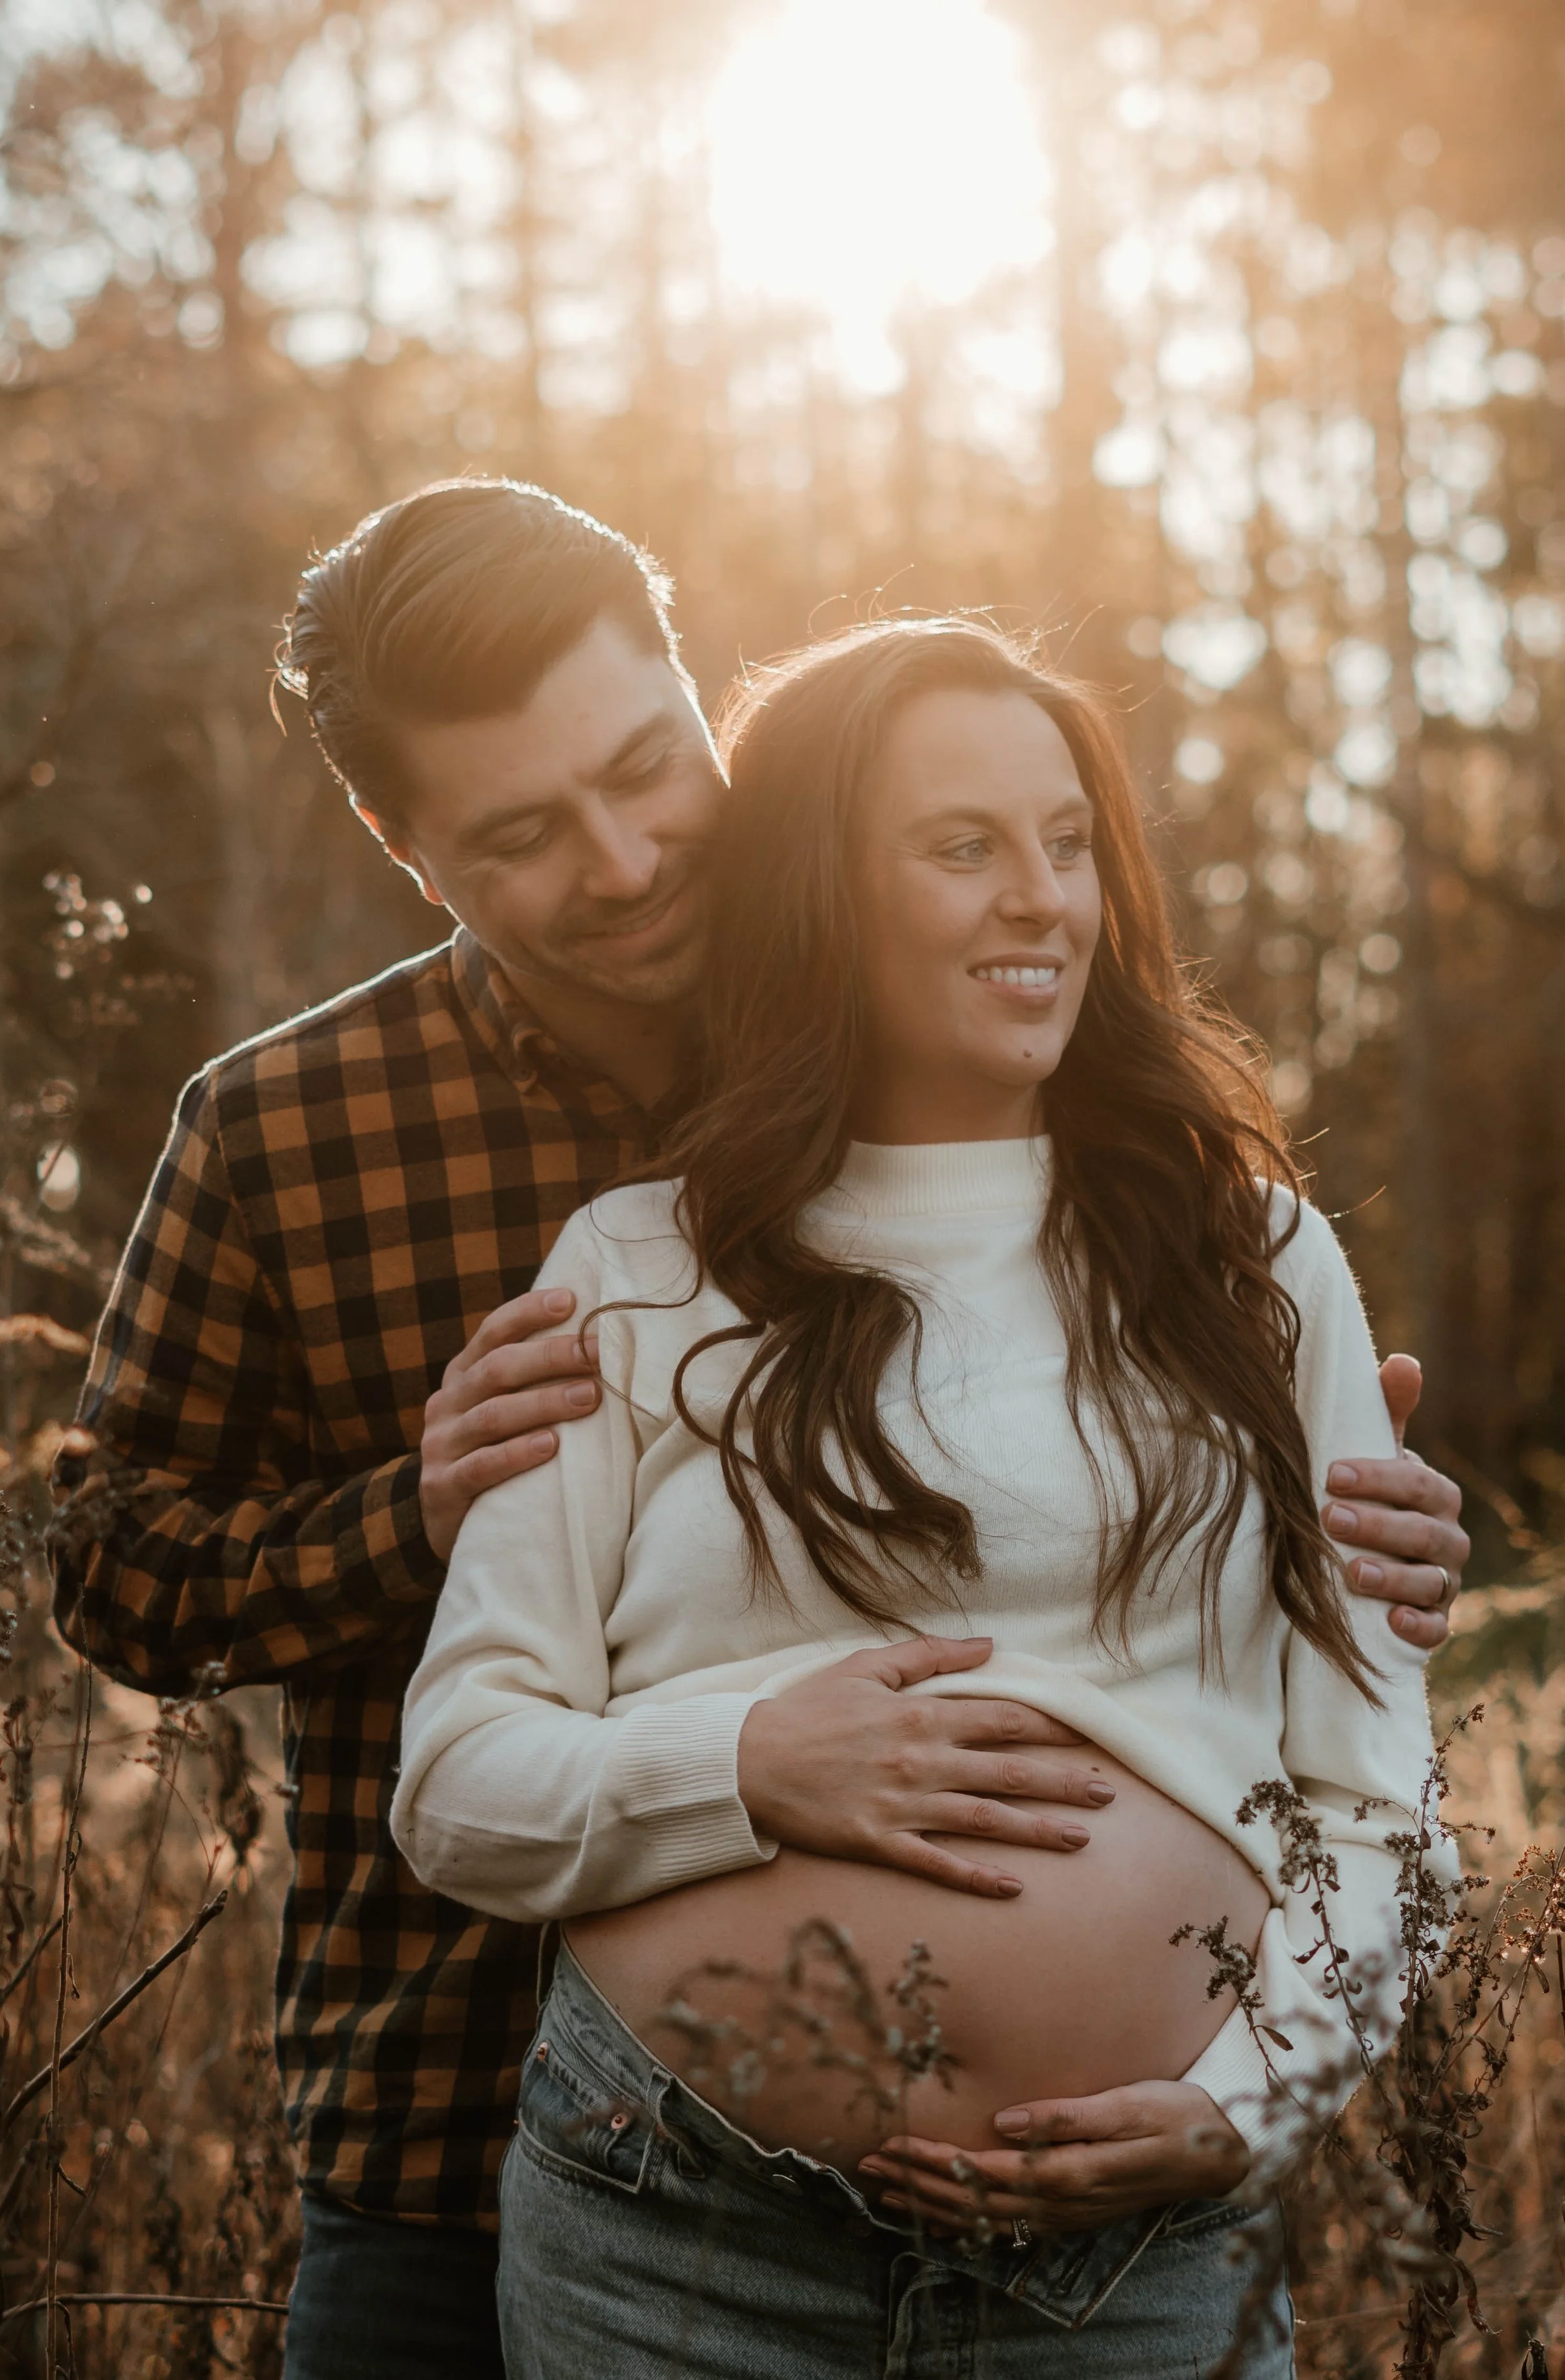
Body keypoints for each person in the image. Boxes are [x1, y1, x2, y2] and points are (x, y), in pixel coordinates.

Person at [50, 482, 1468, 2380]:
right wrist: (416, 1513)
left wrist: (1290, 1498)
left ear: (701, 707)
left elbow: (1312, 1703)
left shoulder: (929, 984)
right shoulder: (293, 1131)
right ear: (404, 844)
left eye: (650, 767)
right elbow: (106, 1562)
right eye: (527, 834)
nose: (630, 860)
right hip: (467, 2116)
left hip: (1089, 2231)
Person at [394, 616, 1458, 2380]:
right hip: (677, 2236)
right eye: (961, 848)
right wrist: (743, 1761)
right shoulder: (634, 1273)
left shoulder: (1254, 1264)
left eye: (1066, 843)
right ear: (821, 889)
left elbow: (1370, 1785)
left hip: (1126, 2263)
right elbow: (460, 1783)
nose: (1039, 897)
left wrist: (1252, 2101)